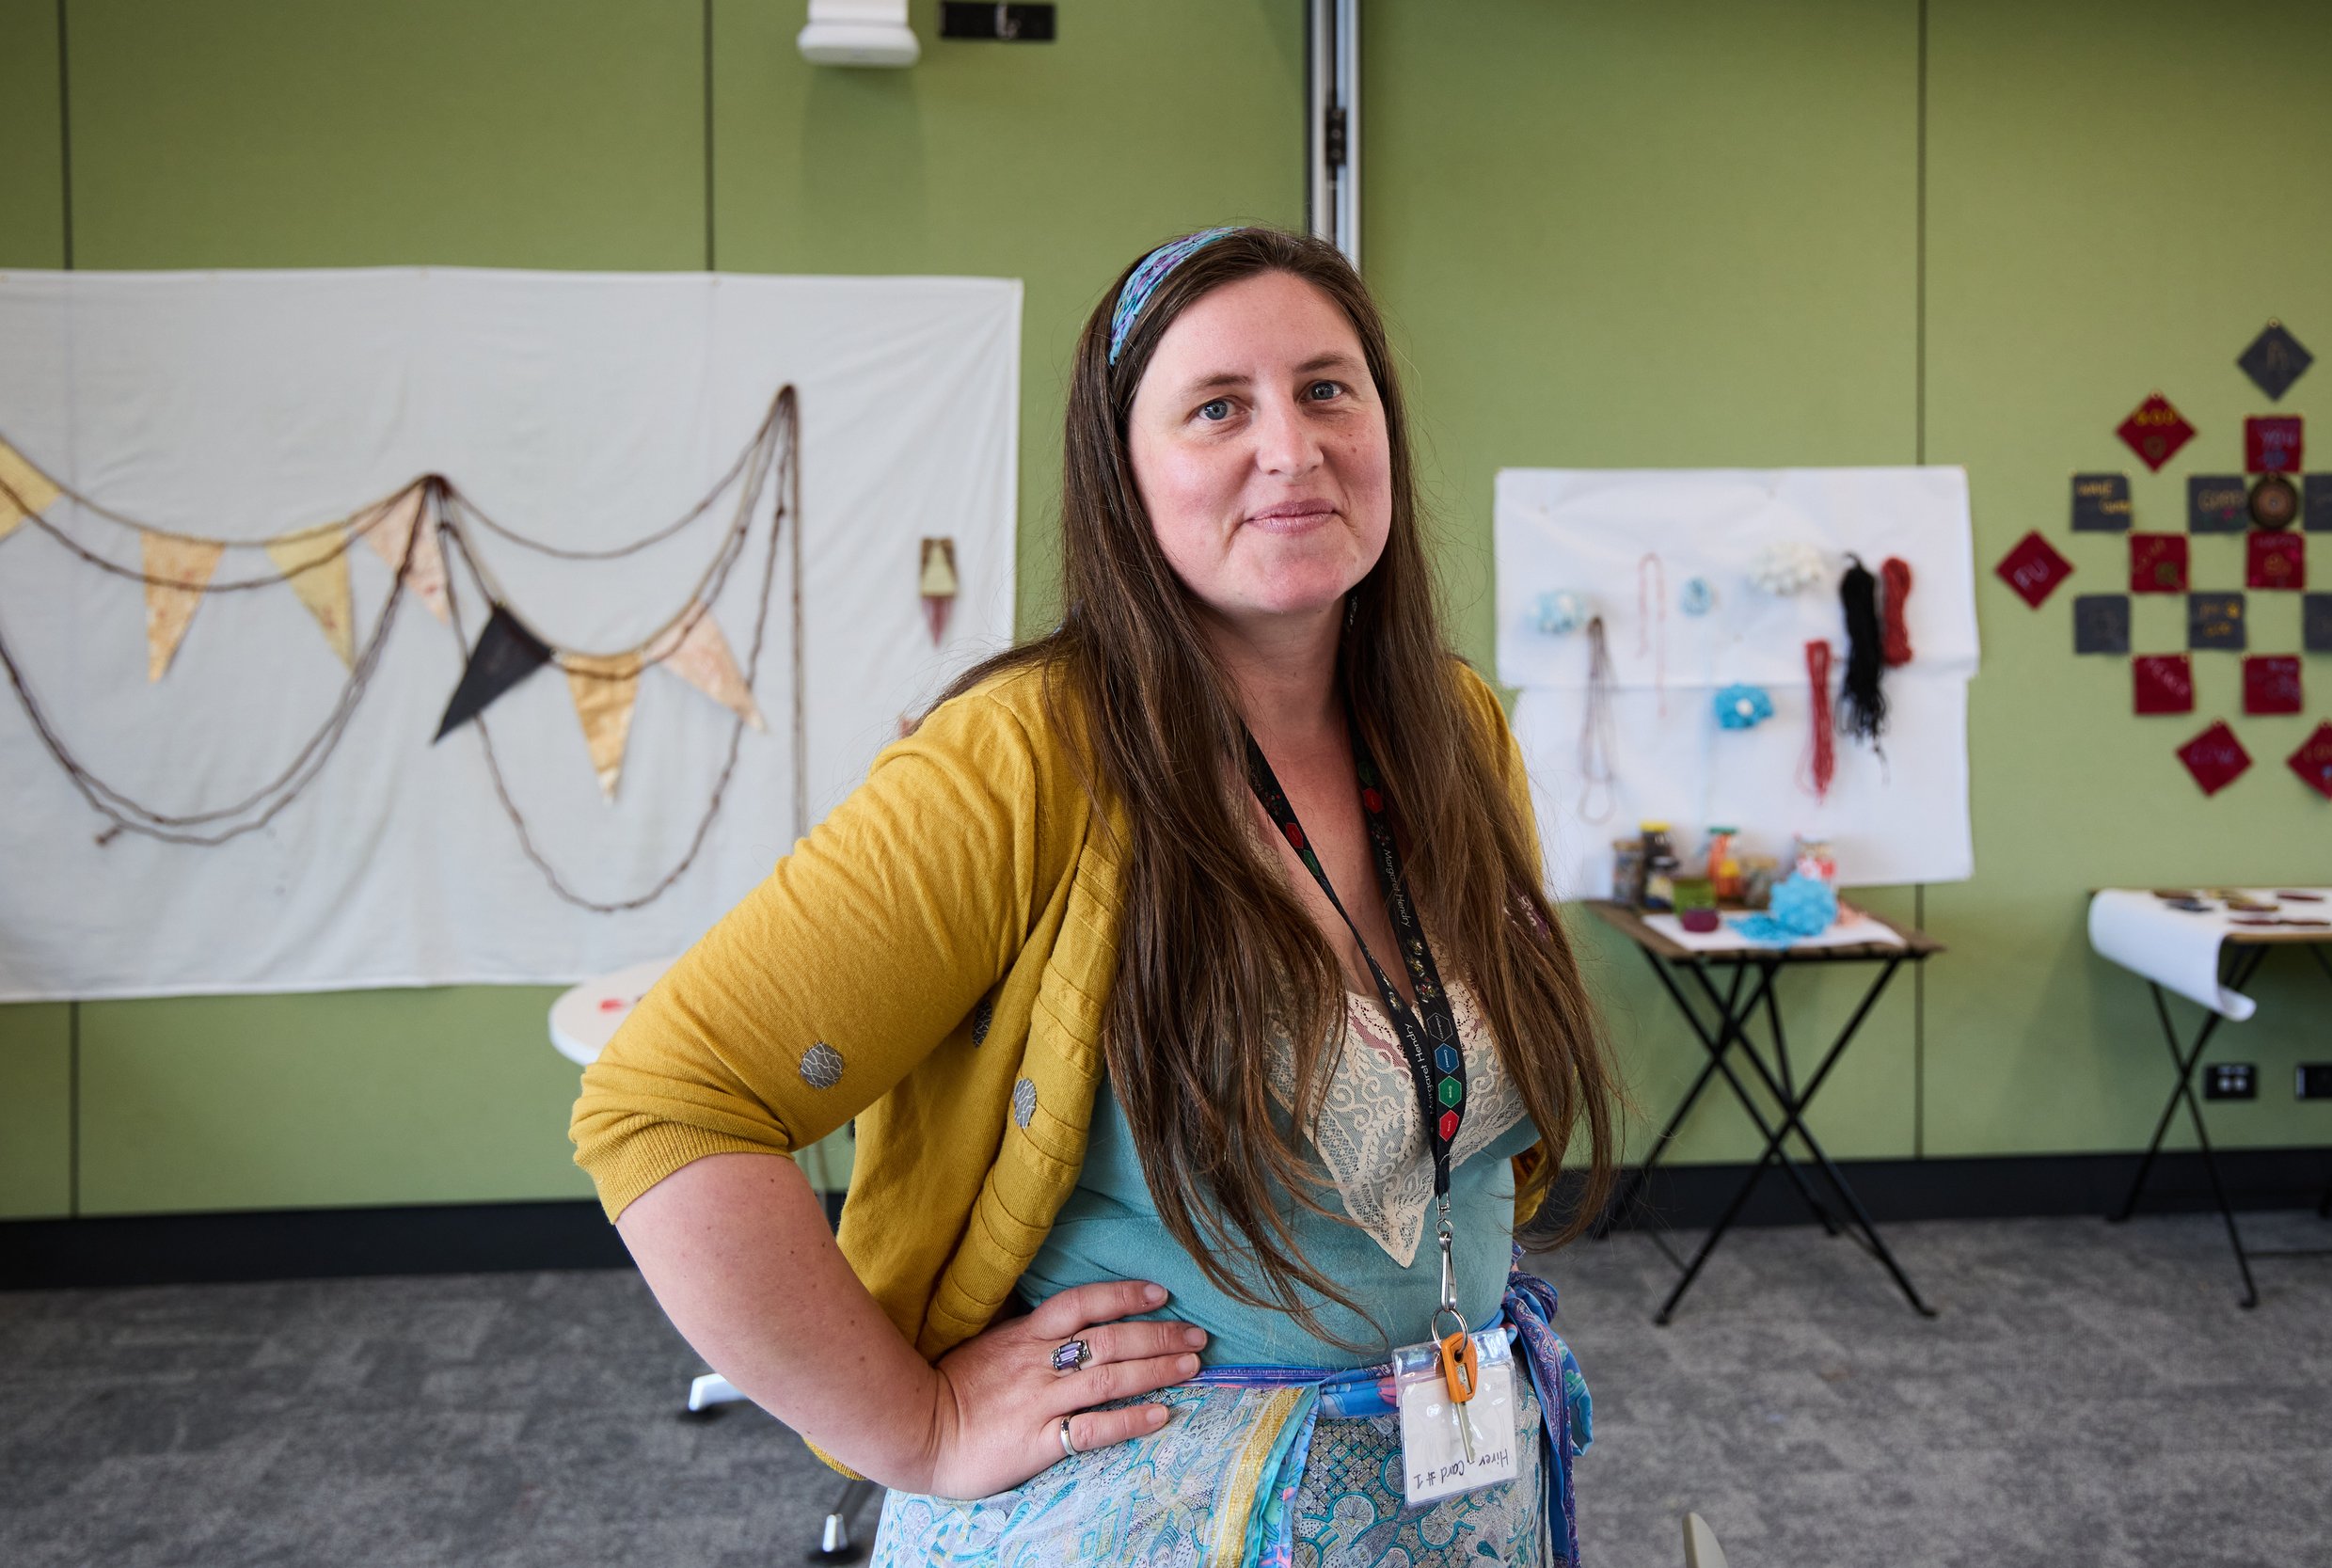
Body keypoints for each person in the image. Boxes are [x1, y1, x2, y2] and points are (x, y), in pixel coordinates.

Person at [570, 225, 1618, 1565]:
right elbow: (666, 1105)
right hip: (1140, 1516)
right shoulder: (1023, 756)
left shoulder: (1455, 730)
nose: (1290, 449)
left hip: (1453, 1491)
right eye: (1218, 408)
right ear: (1123, 475)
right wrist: (919, 1431)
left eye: (1326, 389)